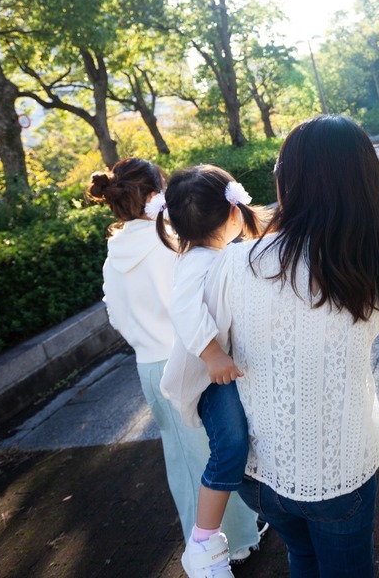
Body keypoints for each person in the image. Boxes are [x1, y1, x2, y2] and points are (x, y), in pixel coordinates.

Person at [204, 115, 379, 577]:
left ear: (289, 179)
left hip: (257, 467)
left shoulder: (236, 263)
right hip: (340, 465)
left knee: (300, 556)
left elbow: (203, 347)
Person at [86, 159, 264, 578]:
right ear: (154, 195)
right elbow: (192, 303)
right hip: (193, 362)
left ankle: (200, 543)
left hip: (149, 366)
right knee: (222, 450)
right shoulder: (171, 243)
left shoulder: (115, 254)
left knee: (183, 464)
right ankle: (235, 543)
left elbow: (115, 315)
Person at [153, 164, 267, 578]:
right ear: (232, 212)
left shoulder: (222, 256)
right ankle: (202, 543)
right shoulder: (196, 262)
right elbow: (183, 310)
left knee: (247, 446)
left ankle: (256, 516)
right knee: (231, 447)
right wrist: (212, 354)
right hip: (208, 379)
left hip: (225, 372)